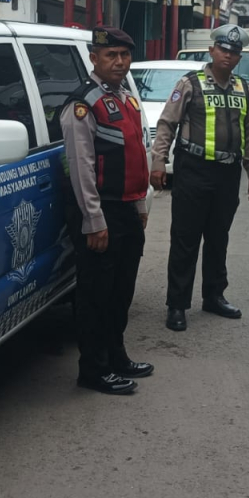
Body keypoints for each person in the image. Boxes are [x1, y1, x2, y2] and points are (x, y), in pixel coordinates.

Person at [60, 26, 154, 395]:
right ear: (93, 58)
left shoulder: (125, 97)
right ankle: (94, 370)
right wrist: (94, 221)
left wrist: (141, 203)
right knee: (96, 295)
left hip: (127, 209)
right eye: (111, 55)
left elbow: (137, 156)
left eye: (124, 55)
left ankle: (117, 356)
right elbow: (82, 168)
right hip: (101, 213)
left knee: (121, 291)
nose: (119, 62)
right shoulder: (83, 104)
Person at [150, 23, 249, 332]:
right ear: (212, 50)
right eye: (223, 49)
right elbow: (166, 125)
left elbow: (248, 132)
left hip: (227, 173)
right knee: (185, 239)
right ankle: (177, 305)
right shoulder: (190, 84)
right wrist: (158, 163)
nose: (228, 55)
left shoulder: (243, 88)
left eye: (234, 52)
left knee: (218, 238)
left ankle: (214, 296)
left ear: (239, 57)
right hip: (193, 170)